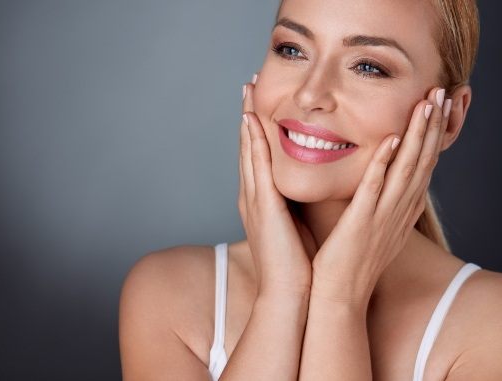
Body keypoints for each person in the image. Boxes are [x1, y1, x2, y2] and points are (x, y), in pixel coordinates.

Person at [118, 0, 502, 379]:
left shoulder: (490, 326)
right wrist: (282, 295)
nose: (310, 95)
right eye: (292, 50)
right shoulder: (168, 295)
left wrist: (339, 299)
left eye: (368, 67)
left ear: (450, 119)